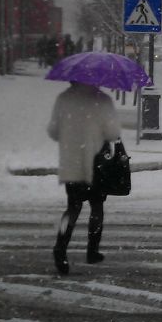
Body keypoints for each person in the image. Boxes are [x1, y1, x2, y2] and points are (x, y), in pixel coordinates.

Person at [47, 81, 121, 275]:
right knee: (97, 207)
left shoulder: (64, 98)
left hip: (72, 162)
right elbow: (113, 134)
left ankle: (60, 249)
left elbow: (53, 131)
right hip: (97, 163)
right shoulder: (103, 101)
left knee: (72, 208)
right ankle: (92, 250)